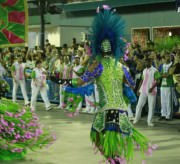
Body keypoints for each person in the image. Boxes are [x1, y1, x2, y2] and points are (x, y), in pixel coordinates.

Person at [51, 6, 155, 163]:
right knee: (110, 143)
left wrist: (57, 80)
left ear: (98, 48)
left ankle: (114, 161)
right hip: (121, 111)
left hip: (106, 110)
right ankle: (115, 160)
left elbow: (78, 82)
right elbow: (133, 84)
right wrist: (127, 85)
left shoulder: (97, 66)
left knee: (98, 139)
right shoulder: (122, 67)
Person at [133, 58, 160, 126]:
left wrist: (152, 88)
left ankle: (149, 122)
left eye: (148, 62)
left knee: (151, 107)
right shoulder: (144, 70)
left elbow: (158, 81)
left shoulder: (155, 70)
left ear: (151, 62)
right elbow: (142, 80)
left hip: (151, 91)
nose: (146, 63)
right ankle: (136, 119)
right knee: (139, 105)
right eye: (146, 62)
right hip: (143, 90)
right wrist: (139, 89)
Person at [159, 53, 174, 120]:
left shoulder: (172, 65)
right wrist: (164, 75)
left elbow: (169, 74)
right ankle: (163, 114)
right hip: (163, 85)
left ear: (171, 57)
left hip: (169, 85)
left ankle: (168, 115)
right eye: (166, 56)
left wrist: (164, 75)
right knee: (163, 101)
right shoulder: (163, 65)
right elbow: (160, 74)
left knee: (168, 101)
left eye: (168, 56)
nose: (167, 57)